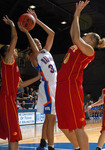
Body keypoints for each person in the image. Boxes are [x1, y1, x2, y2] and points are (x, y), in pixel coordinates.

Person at [55, 1, 105, 150]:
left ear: (91, 40)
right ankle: (78, 148)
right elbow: (73, 35)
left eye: (87, 35)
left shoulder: (89, 51)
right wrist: (76, 14)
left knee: (77, 126)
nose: (83, 35)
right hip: (62, 86)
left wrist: (77, 13)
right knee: (63, 125)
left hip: (72, 87)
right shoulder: (78, 45)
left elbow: (76, 37)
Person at [18, 9, 57, 150]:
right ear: (31, 47)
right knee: (51, 119)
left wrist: (37, 20)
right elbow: (34, 49)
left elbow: (52, 34)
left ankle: (42, 143)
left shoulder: (45, 52)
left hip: (54, 86)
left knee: (48, 119)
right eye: (36, 43)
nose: (39, 44)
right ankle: (50, 147)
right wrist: (27, 32)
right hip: (47, 87)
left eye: (39, 42)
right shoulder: (34, 57)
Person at [0, 15, 41, 150]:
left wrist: (38, 77)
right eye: (10, 48)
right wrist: (13, 25)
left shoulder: (14, 68)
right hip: (6, 99)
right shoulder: (7, 61)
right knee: (14, 134)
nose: (15, 49)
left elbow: (22, 85)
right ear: (7, 53)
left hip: (11, 100)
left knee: (15, 134)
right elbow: (15, 38)